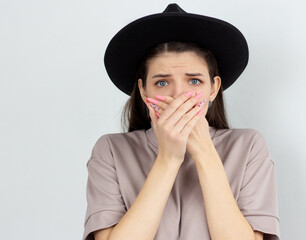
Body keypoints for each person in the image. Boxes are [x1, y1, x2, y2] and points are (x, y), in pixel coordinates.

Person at [83, 3, 280, 240]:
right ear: (143, 91)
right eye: (162, 83)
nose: (178, 95)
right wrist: (168, 158)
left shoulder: (248, 147)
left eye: (194, 81)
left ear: (213, 88)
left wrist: (205, 153)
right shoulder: (111, 151)